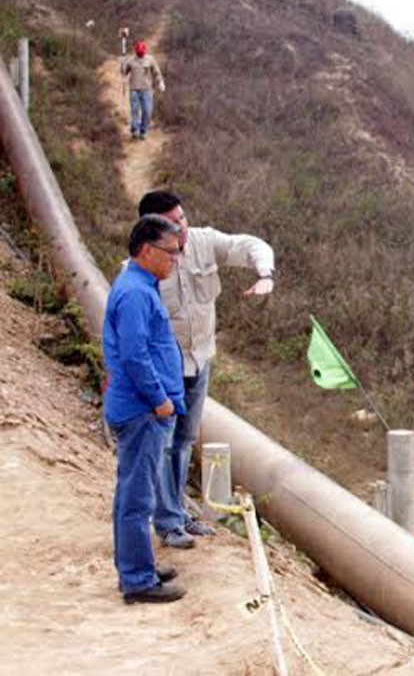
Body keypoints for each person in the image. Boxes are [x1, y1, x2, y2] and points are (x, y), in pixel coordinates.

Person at [137, 190, 276, 549]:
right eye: (172, 222)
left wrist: (265, 273)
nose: (182, 226)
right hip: (163, 372)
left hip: (199, 361)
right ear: (152, 229)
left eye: (182, 217)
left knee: (184, 441)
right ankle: (167, 523)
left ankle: (180, 514)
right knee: (163, 445)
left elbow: (248, 245)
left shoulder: (202, 242)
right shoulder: (142, 267)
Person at [104, 214, 187, 604]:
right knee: (138, 500)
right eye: (171, 253)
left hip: (141, 409)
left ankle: (140, 565)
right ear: (147, 250)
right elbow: (136, 356)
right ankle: (137, 580)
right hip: (142, 411)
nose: (175, 259)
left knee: (133, 495)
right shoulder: (136, 293)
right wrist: (160, 400)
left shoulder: (142, 286)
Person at [121, 39, 166, 140]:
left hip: (147, 90)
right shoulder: (131, 60)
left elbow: (156, 72)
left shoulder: (150, 59)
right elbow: (124, 72)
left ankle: (143, 130)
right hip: (134, 90)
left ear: (145, 51)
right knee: (135, 111)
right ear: (136, 51)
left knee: (147, 111)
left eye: (142, 52)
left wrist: (160, 82)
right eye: (138, 52)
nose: (140, 54)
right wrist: (123, 62)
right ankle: (135, 130)